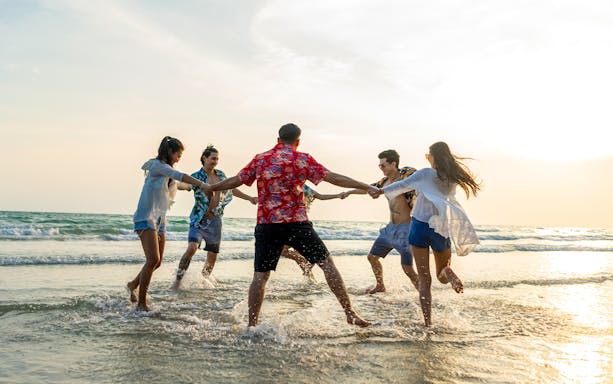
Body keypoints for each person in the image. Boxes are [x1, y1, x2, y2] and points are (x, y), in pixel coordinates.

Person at [202, 123, 378, 327]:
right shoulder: (302, 159)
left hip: (267, 224)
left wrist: (212, 187)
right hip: (297, 224)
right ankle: (350, 313)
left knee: (260, 276)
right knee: (327, 264)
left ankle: (252, 325)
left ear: (278, 139)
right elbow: (334, 178)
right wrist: (366, 186)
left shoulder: (261, 158)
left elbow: (236, 181)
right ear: (298, 141)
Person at [375, 141, 480, 327]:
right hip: (440, 228)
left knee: (424, 279)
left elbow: (401, 185)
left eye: (428, 155)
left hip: (419, 227)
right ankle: (448, 272)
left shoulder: (425, 173)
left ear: (432, 156)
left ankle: (428, 323)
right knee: (441, 275)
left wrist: (378, 191)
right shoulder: (452, 178)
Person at [127, 136, 209, 311]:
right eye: (178, 154)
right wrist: (202, 184)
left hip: (159, 220)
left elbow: (176, 183)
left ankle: (132, 285)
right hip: (145, 217)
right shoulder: (157, 166)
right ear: (170, 152)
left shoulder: (165, 171)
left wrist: (190, 187)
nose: (179, 158)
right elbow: (178, 175)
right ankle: (142, 304)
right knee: (152, 259)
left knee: (157, 262)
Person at [173, 145, 257, 289]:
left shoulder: (220, 175)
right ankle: (178, 281)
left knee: (212, 256)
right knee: (192, 248)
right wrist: (175, 185)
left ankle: (203, 281)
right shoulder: (197, 177)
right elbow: (186, 185)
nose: (215, 161)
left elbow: (231, 188)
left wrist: (249, 198)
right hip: (199, 220)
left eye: (217, 158)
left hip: (215, 221)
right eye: (213, 158)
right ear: (204, 158)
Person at [341, 150, 419, 293]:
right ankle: (380, 285)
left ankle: (423, 292)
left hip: (406, 229)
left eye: (383, 165)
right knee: (372, 257)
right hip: (390, 229)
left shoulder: (405, 178)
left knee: (407, 268)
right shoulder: (384, 182)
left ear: (393, 164)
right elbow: (367, 188)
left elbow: (419, 177)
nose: (380, 168)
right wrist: (349, 192)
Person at [280, 184, 345, 279]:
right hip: (287, 226)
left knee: (285, 251)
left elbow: (321, 196)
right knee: (288, 252)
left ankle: (309, 276)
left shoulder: (303, 187)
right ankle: (310, 278)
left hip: (300, 226)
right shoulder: (282, 186)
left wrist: (337, 195)